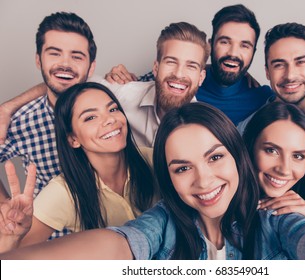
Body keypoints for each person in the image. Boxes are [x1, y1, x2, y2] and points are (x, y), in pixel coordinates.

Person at [2, 102, 305, 260]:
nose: (204, 180)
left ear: (237, 158)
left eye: (215, 157)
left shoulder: (279, 220)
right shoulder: (163, 223)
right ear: (168, 178)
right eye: (182, 167)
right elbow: (120, 243)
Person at [0, 21, 209, 149]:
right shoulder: (122, 95)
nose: (179, 74)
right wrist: (8, 107)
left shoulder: (209, 129)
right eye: (171, 62)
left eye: (191, 66)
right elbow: (68, 80)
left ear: (201, 77)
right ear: (156, 67)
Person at [0, 82, 156, 252]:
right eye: (90, 117)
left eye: (112, 109)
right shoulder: (64, 192)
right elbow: (10, 258)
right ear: (73, 139)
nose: (110, 119)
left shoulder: (155, 160)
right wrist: (11, 238)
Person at [104, 4, 274, 126]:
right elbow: (147, 84)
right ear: (210, 45)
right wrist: (116, 79)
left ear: (253, 52)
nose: (233, 53)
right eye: (224, 42)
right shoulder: (182, 82)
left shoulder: (263, 99)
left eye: (244, 46)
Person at [0, 12, 97, 208]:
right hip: (51, 237)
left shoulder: (113, 107)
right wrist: (4, 206)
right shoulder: (20, 121)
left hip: (111, 233)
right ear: (39, 60)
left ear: (91, 67)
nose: (65, 64)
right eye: (54, 53)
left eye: (76, 56)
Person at [243, 102, 305, 224]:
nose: (284, 170)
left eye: (298, 156)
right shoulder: (225, 192)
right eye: (272, 151)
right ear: (250, 147)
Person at [237, 22, 305, 133]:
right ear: (267, 72)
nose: (290, 76)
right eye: (279, 65)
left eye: (300, 62)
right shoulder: (246, 130)